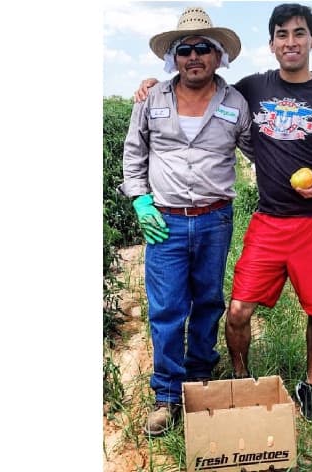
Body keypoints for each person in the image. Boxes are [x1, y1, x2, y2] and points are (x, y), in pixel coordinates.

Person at [135, 3, 312, 425]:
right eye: (282, 35)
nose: (290, 42)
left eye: (298, 34)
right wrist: (150, 86)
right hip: (263, 220)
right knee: (232, 309)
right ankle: (232, 381)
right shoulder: (251, 88)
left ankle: (309, 386)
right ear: (272, 44)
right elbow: (194, 94)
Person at [119, 6, 253, 437]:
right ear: (174, 57)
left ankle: (198, 379)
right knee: (166, 309)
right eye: (185, 49)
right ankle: (167, 394)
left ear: (218, 56)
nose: (194, 56)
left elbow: (259, 152)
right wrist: (140, 200)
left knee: (208, 302)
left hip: (215, 220)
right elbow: (134, 154)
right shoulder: (151, 99)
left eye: (203, 49)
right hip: (165, 221)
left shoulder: (235, 103)